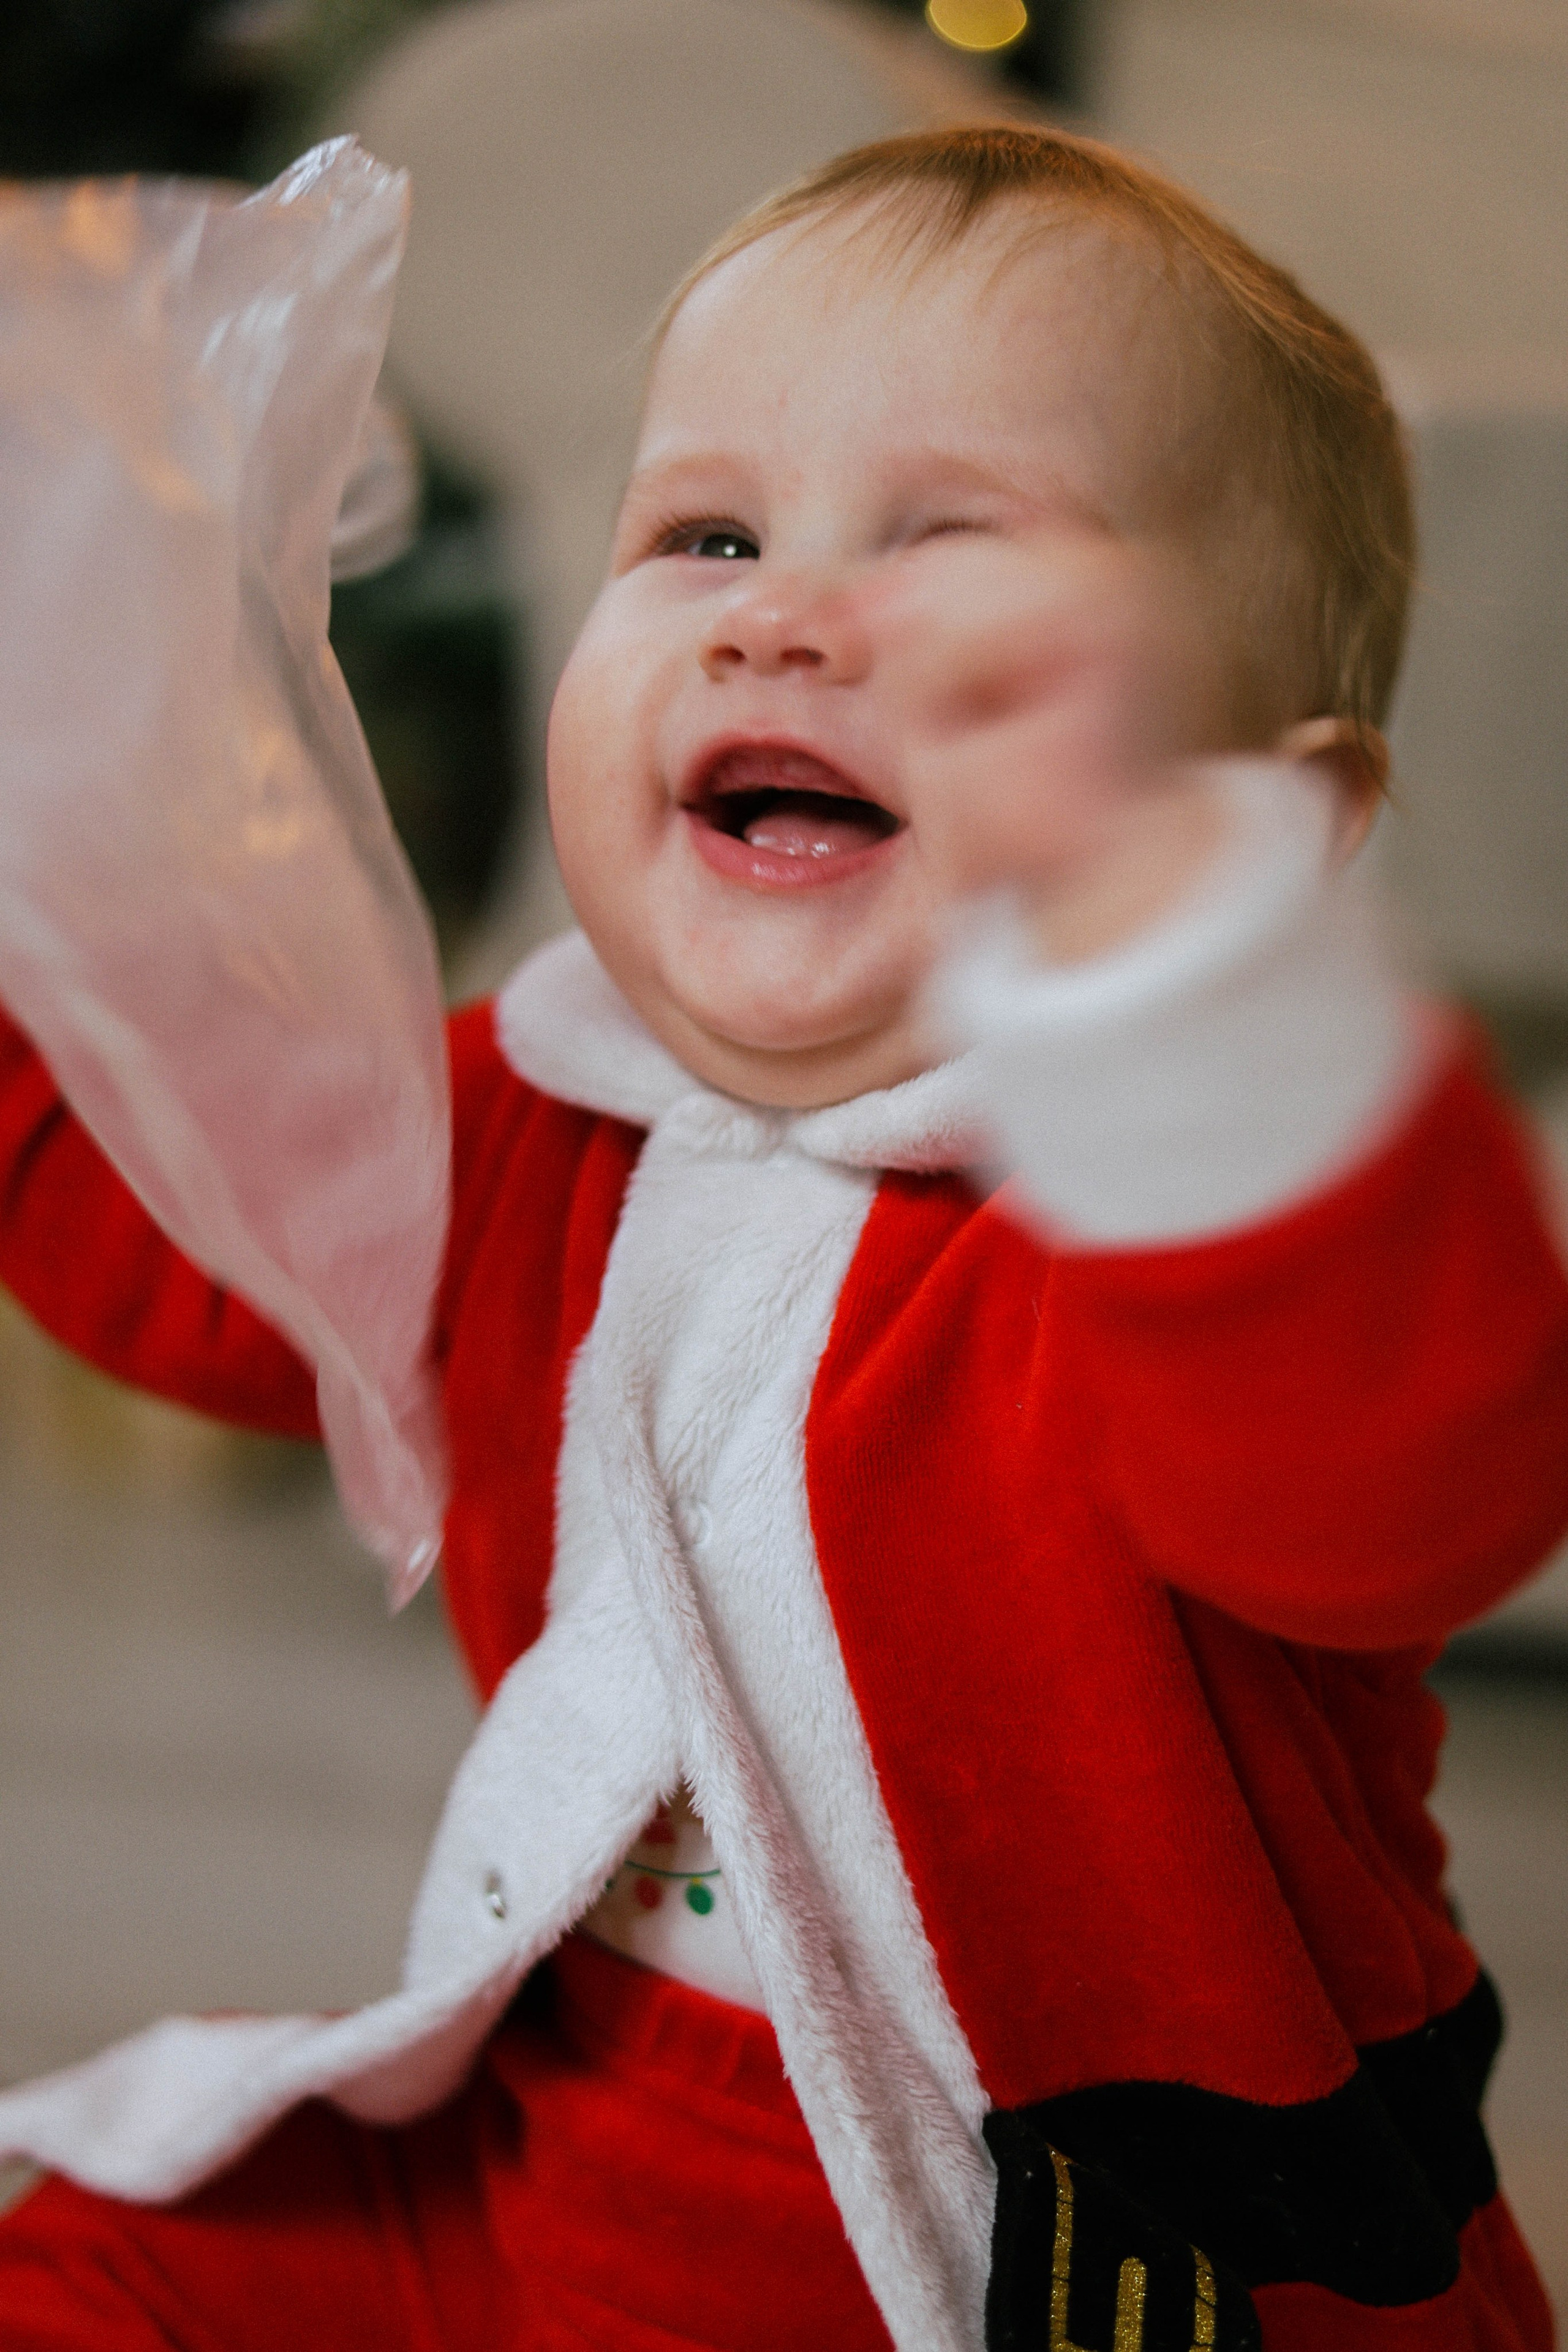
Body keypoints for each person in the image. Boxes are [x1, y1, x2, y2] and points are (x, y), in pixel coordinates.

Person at [1, 121, 1566, 2352]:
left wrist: (1205, 1020)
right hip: (571, 2128)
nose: (779, 612)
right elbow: (175, 1222)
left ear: (1267, 830)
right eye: (706, 533)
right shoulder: (546, 1119)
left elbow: (1400, 1473)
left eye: (964, 574)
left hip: (1080, 2237)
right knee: (103, 2263)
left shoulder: (1169, 1226)